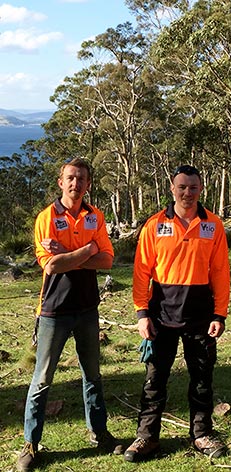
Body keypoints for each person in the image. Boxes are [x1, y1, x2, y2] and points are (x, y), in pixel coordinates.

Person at [17, 158, 121, 472]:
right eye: (70, 178)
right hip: (53, 311)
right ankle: (31, 444)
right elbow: (51, 266)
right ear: (61, 182)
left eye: (82, 179)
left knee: (93, 376)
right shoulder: (46, 218)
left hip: (88, 308)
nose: (76, 184)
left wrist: (69, 253)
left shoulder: (95, 216)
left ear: (89, 184)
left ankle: (99, 433)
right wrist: (87, 250)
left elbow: (107, 261)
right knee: (42, 380)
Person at [124, 164, 231, 462]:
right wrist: (141, 314)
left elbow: (221, 272)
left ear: (200, 189)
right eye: (182, 187)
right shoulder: (155, 224)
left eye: (193, 187)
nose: (187, 192)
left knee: (201, 379)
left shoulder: (213, 225)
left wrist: (219, 314)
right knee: (154, 380)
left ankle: (201, 434)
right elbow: (141, 272)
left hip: (200, 316)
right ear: (171, 189)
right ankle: (146, 438)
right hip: (160, 317)